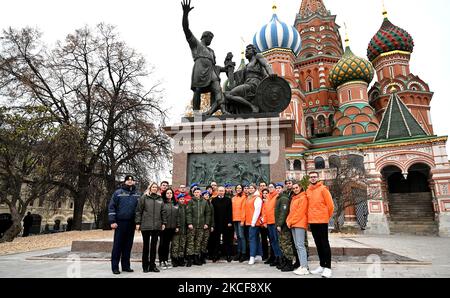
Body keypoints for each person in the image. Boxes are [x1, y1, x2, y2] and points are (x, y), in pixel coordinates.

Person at [181, 0, 227, 116]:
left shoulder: (211, 51)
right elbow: (186, 29)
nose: (211, 40)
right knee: (197, 90)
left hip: (211, 72)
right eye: (210, 38)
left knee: (216, 88)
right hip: (199, 69)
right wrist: (185, 14)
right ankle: (196, 114)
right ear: (204, 37)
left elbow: (215, 66)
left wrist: (225, 69)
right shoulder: (196, 44)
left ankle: (213, 111)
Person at [108, 175, 140, 275]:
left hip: (131, 223)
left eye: (132, 180)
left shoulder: (137, 194)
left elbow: (139, 209)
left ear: (134, 182)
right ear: (125, 181)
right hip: (120, 222)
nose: (130, 181)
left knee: (128, 246)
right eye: (128, 180)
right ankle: (115, 267)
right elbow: (112, 207)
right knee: (118, 245)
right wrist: (112, 221)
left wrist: (138, 222)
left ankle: (126, 266)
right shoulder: (118, 193)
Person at [306, 172, 335, 278]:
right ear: (309, 179)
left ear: (317, 178)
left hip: (322, 221)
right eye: (311, 177)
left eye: (314, 177)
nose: (313, 178)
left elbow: (330, 205)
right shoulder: (308, 190)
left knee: (324, 244)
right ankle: (322, 265)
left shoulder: (323, 189)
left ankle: (328, 268)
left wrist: (326, 217)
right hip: (312, 221)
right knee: (318, 244)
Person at [135, 182, 167, 273]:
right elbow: (138, 211)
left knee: (153, 247)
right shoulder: (144, 198)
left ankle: (152, 265)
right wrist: (138, 223)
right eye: (153, 187)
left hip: (156, 226)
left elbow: (163, 212)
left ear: (157, 189)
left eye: (156, 187)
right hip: (145, 225)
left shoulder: (160, 199)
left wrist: (163, 222)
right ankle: (145, 266)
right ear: (150, 188)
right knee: (146, 246)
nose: (154, 188)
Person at [287, 182, 310, 276]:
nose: (295, 189)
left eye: (296, 187)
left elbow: (300, 212)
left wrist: (291, 221)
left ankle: (305, 267)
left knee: (300, 245)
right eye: (293, 188)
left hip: (299, 223)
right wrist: (288, 221)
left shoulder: (303, 197)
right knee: (297, 246)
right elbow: (291, 212)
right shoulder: (294, 198)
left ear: (300, 187)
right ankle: (302, 265)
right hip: (293, 224)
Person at [186, 187, 212, 267]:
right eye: (195, 192)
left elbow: (208, 213)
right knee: (191, 242)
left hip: (201, 225)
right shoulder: (190, 201)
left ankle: (196, 258)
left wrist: (206, 223)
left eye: (198, 192)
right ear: (193, 193)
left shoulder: (204, 202)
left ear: (201, 193)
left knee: (198, 242)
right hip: (192, 225)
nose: (197, 194)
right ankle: (190, 258)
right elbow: (188, 213)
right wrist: (189, 223)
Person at [211, 186, 233, 262]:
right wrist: (212, 223)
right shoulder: (214, 200)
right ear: (217, 191)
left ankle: (228, 255)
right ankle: (215, 255)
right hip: (216, 223)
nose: (221, 192)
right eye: (220, 191)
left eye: (222, 191)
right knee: (216, 240)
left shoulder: (228, 200)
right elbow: (212, 213)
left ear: (224, 191)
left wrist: (230, 221)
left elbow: (230, 212)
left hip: (226, 223)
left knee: (227, 239)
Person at [275, 184, 295, 272]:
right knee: (282, 244)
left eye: (279, 188)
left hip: (284, 226)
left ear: (282, 189)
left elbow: (283, 213)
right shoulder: (279, 198)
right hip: (281, 225)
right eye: (276, 188)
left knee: (286, 244)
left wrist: (279, 224)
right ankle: (285, 262)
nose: (277, 189)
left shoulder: (283, 199)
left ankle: (289, 263)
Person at [243, 184, 264, 265]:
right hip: (249, 221)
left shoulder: (257, 198)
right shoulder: (249, 197)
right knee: (256, 239)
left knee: (252, 239)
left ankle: (252, 256)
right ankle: (258, 255)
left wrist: (253, 222)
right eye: (249, 188)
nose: (250, 189)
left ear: (255, 189)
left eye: (252, 188)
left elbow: (257, 211)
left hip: (253, 222)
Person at [262, 186, 282, 267]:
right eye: (269, 187)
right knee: (273, 241)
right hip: (269, 223)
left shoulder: (277, 197)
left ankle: (280, 258)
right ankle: (276, 257)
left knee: (277, 241)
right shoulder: (268, 198)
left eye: (272, 187)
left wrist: (279, 223)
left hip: (275, 222)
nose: (270, 188)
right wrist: (265, 222)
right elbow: (266, 211)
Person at [158, 189, 178, 270]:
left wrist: (177, 226)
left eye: (170, 193)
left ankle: (166, 260)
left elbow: (177, 216)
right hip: (163, 227)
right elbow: (160, 214)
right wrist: (162, 224)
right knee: (162, 244)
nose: (169, 194)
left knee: (167, 244)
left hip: (172, 227)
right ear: (165, 194)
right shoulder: (162, 203)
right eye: (167, 193)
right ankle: (161, 260)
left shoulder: (175, 204)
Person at [172, 194, 188, 267]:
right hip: (177, 229)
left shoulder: (185, 207)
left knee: (182, 245)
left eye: (183, 199)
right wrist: (176, 226)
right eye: (180, 199)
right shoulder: (176, 207)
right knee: (176, 245)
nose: (182, 200)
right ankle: (174, 259)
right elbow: (175, 218)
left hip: (184, 230)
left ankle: (181, 259)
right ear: (178, 199)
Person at [232, 184, 247, 262]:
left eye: (240, 188)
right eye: (237, 188)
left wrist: (242, 220)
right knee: (238, 237)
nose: (238, 189)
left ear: (242, 189)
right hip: (234, 219)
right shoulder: (234, 198)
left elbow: (244, 210)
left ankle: (243, 253)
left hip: (240, 220)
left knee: (242, 236)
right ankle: (239, 252)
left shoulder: (244, 197)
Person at [201, 191, 215, 264]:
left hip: (208, 225)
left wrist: (212, 225)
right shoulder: (201, 203)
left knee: (206, 241)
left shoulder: (210, 204)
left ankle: (204, 255)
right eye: (205, 195)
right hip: (202, 225)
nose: (207, 196)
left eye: (208, 195)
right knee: (201, 240)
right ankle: (200, 256)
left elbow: (212, 216)